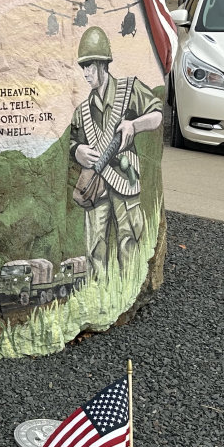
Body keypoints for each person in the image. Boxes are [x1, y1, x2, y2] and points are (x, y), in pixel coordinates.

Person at [69, 26, 163, 280]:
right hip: (96, 183)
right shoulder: (83, 110)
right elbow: (72, 141)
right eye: (84, 67)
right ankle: (99, 294)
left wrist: (134, 125)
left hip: (125, 177)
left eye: (90, 66)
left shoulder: (129, 89)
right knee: (95, 244)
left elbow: (157, 116)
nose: (86, 73)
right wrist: (78, 151)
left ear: (103, 65)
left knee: (129, 238)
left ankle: (129, 289)